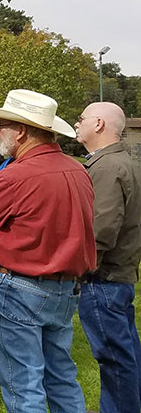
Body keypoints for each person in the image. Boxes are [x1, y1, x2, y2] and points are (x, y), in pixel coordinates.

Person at [0, 89, 95, 413]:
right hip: (65, 290)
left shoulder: (18, 175)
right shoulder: (78, 171)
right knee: (62, 378)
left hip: (20, 288)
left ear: (21, 131)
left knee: (24, 386)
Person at [75, 101, 141, 413]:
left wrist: (76, 271)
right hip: (118, 278)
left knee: (115, 361)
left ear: (98, 124)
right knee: (127, 356)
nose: (77, 124)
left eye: (82, 118)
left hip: (102, 280)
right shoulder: (120, 163)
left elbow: (100, 232)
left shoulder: (106, 168)